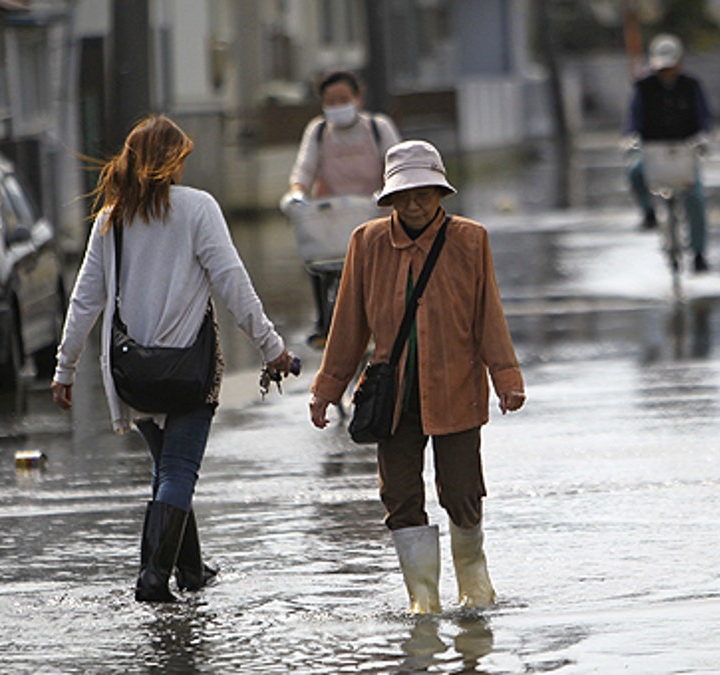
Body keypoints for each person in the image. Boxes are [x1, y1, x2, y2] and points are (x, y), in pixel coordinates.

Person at [50, 115, 295, 603]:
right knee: (179, 472)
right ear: (171, 161)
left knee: (169, 471)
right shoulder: (198, 208)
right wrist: (273, 348)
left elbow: (85, 301)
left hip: (133, 374)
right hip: (187, 370)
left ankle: (190, 570)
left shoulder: (110, 220)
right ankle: (151, 579)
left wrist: (65, 368)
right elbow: (233, 284)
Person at [308, 140, 526, 614]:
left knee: (463, 492)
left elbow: (488, 314)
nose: (413, 203)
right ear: (388, 199)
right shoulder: (366, 243)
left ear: (440, 193)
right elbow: (347, 326)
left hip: (456, 389)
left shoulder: (470, 239)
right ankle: (422, 599)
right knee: (400, 496)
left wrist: (506, 377)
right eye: (403, 195)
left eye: (423, 193)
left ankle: (474, 586)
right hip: (394, 396)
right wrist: (326, 389)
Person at [282, 69, 401, 348]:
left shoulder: (378, 127)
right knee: (319, 261)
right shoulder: (319, 131)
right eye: (330, 101)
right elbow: (304, 170)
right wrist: (297, 194)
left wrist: (388, 192)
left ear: (358, 99)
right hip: (333, 218)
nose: (337, 106)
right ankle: (324, 324)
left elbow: (396, 163)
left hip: (375, 212)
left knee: (380, 270)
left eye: (343, 99)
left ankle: (386, 322)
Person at [625, 33, 714, 272]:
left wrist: (704, 137)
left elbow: (704, 117)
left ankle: (698, 254)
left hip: (685, 151)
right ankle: (648, 213)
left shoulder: (691, 86)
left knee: (694, 197)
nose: (666, 72)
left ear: (680, 62)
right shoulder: (644, 88)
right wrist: (631, 138)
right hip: (654, 151)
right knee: (635, 172)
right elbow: (634, 119)